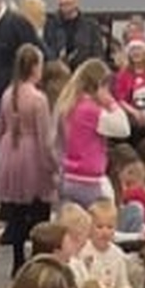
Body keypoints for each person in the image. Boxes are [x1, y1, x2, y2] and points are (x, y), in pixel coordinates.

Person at [0, 43, 58, 270]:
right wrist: (53, 165)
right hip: (32, 155)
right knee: (40, 209)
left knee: (17, 211)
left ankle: (18, 259)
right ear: (34, 67)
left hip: (10, 150)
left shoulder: (7, 94)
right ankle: (40, 257)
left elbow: (1, 128)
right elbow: (45, 138)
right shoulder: (38, 99)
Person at [56, 58, 130, 206]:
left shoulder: (70, 105)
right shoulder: (90, 110)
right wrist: (111, 102)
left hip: (68, 176)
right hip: (88, 181)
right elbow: (123, 129)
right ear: (99, 85)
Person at [45, 0, 107, 68]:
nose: (63, 0)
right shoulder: (50, 26)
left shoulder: (91, 26)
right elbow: (46, 58)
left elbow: (98, 61)